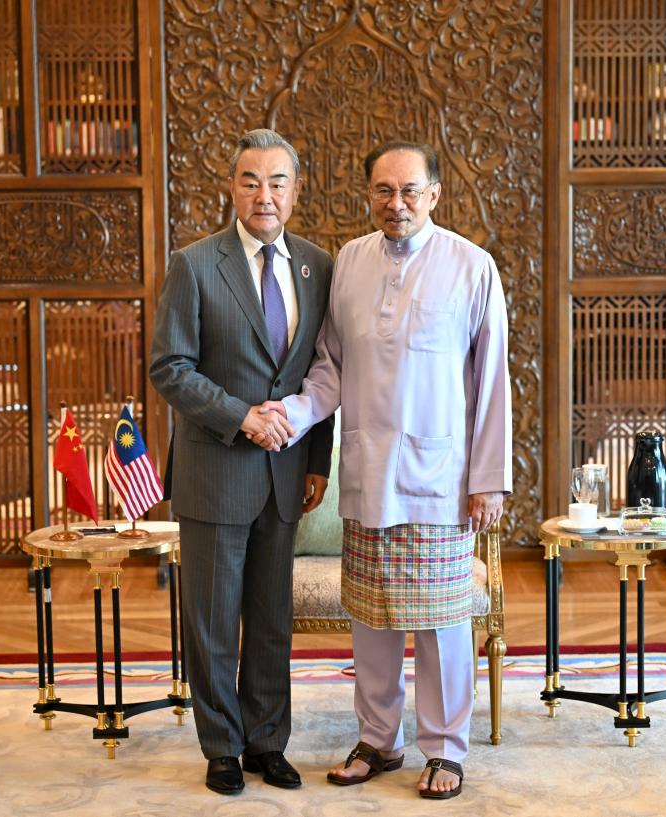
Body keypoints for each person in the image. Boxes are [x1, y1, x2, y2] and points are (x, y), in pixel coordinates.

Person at [255, 141, 511, 799]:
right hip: (368, 474)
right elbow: (329, 368)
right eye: (382, 190)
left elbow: (491, 383)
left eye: (409, 190)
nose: (395, 204)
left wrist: (488, 479)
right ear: (368, 194)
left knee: (441, 621)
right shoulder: (350, 262)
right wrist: (290, 414)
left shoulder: (471, 266)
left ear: (434, 195)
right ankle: (377, 739)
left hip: (440, 480)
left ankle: (445, 749)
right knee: (371, 619)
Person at [149, 129, 333, 796]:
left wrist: (317, 460)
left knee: (271, 622)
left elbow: (322, 370)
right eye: (251, 181)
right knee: (213, 621)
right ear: (232, 188)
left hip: (285, 477)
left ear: (295, 190)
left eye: (277, 182)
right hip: (215, 472)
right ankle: (221, 746)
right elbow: (169, 367)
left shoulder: (318, 266)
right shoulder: (195, 264)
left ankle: (267, 742)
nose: (264, 195)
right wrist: (241, 415)